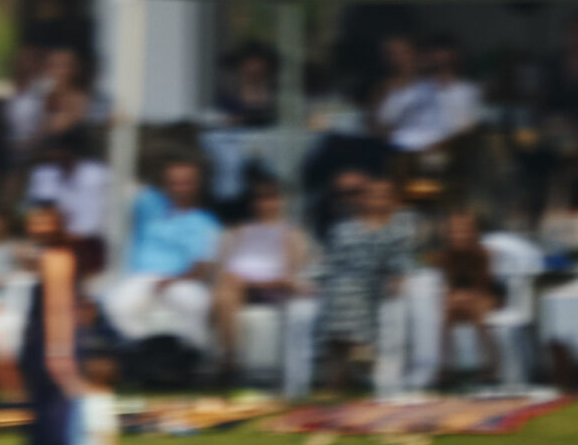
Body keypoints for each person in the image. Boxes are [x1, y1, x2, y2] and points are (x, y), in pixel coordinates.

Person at [104, 159, 224, 355]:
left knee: (195, 303)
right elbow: (125, 165)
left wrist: (173, 281)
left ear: (196, 185)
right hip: (142, 278)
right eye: (173, 182)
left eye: (185, 182)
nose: (179, 188)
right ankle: (146, 354)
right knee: (117, 303)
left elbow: (202, 266)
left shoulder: (205, 222)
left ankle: (193, 357)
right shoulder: (150, 205)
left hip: (183, 281)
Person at [315, 175, 420, 394]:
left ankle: (349, 370)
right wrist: (311, 280)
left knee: (346, 291)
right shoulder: (343, 229)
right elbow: (330, 261)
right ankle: (356, 359)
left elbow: (404, 261)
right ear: (363, 199)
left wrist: (398, 276)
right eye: (373, 195)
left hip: (374, 284)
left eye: (383, 195)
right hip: (342, 284)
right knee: (341, 289)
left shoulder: (397, 230)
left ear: (391, 199)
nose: (378, 200)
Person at [16, 201, 88, 445]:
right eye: (33, 221)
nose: (35, 227)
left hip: (51, 346)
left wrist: (59, 353)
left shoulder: (55, 257)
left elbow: (57, 308)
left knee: (54, 418)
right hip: (47, 345)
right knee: (47, 417)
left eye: (42, 221)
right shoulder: (51, 256)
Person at [210, 180, 310, 380]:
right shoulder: (240, 231)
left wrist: (256, 280)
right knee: (225, 292)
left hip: (272, 286)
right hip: (238, 284)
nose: (266, 203)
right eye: (261, 198)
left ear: (281, 201)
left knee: (228, 286)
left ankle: (229, 359)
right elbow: (224, 264)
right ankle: (231, 358)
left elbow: (292, 273)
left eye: (271, 197)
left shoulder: (290, 233)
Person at [432, 208, 504, 386]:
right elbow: (450, 284)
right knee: (446, 314)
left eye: (464, 231)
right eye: (455, 231)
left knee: (480, 315)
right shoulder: (446, 256)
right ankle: (447, 369)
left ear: (473, 233)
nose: (459, 235)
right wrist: (457, 296)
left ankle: (492, 368)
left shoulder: (483, 254)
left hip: (487, 295)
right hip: (459, 298)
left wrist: (467, 296)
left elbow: (486, 284)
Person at [23, 130, 109, 274]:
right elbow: (42, 212)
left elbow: (103, 215)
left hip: (92, 242)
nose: (56, 157)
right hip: (58, 243)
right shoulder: (46, 175)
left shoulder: (98, 174)